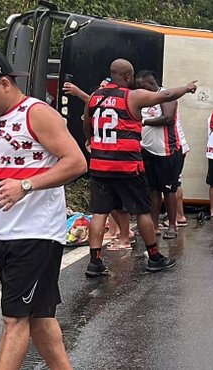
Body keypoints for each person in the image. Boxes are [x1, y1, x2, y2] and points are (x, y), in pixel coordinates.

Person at [0, 52, 87, 369]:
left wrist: (25, 186)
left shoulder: (36, 113)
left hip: (35, 233)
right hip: (3, 231)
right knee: (40, 318)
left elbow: (76, 162)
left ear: (4, 83)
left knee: (14, 320)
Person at [84, 59, 197, 277]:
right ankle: (154, 256)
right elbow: (165, 96)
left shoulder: (94, 97)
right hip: (127, 165)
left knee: (99, 212)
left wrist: (93, 143)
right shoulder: (131, 97)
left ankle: (95, 262)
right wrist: (186, 87)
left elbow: (87, 126)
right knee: (143, 211)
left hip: (99, 165)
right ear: (127, 77)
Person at [63, 79, 134, 250]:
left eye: (104, 86)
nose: (101, 90)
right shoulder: (98, 104)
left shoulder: (115, 101)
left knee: (114, 203)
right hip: (101, 156)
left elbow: (94, 101)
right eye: (99, 86)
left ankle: (124, 234)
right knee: (106, 203)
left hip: (114, 158)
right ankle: (117, 231)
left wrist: (78, 92)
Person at [135, 70, 184, 239]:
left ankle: (172, 225)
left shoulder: (166, 96)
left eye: (142, 86)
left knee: (169, 190)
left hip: (168, 151)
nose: (140, 90)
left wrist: (143, 121)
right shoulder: (145, 100)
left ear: (151, 83)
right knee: (153, 190)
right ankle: (153, 225)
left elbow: (168, 118)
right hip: (148, 150)